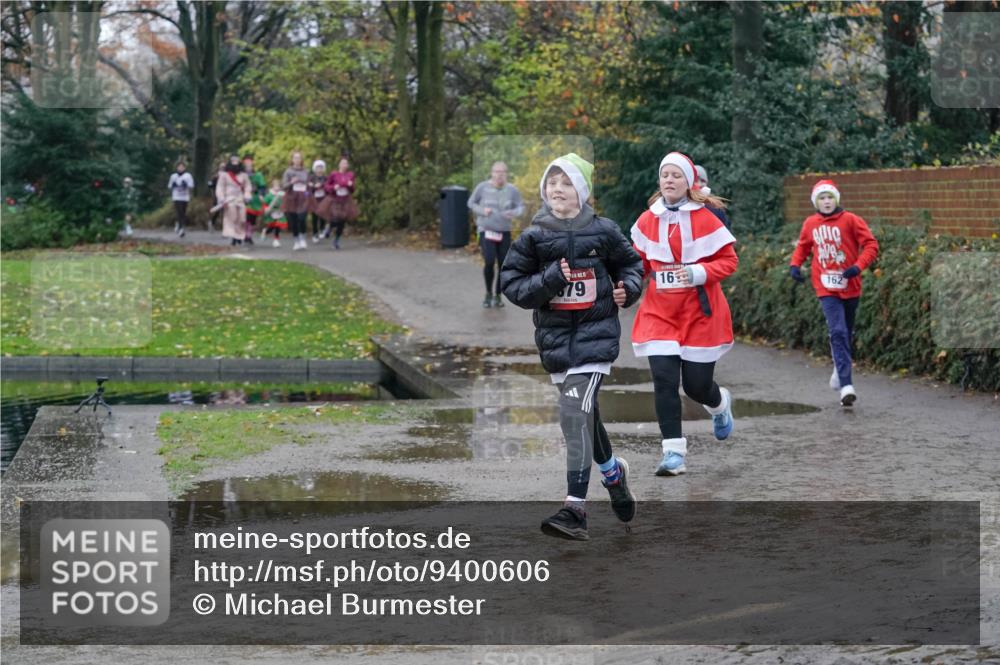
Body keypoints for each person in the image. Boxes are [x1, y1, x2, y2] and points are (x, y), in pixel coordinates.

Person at [500, 153, 643, 540]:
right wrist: (549, 280)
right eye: (551, 183)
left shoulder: (604, 231)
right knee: (585, 415)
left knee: (572, 414)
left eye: (565, 183)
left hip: (596, 341)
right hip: (557, 343)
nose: (556, 190)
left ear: (581, 191)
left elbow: (632, 266)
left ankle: (574, 509)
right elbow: (512, 285)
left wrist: (627, 289)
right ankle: (614, 474)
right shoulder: (534, 236)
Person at [631, 151, 738, 476]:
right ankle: (673, 453)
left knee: (695, 386)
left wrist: (696, 273)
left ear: (689, 182)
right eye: (665, 175)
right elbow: (638, 264)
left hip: (700, 314)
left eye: (676, 175)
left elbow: (729, 262)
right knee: (664, 381)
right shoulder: (648, 219)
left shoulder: (707, 218)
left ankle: (719, 404)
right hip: (659, 314)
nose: (669, 181)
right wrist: (625, 284)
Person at [788, 179, 879, 407]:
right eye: (822, 198)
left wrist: (857, 267)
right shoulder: (811, 223)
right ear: (816, 202)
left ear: (836, 199)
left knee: (846, 332)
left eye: (830, 197)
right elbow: (803, 246)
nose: (826, 202)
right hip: (825, 286)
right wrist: (795, 265)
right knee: (837, 330)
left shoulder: (851, 220)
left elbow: (871, 245)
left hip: (850, 285)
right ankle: (847, 385)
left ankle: (839, 370)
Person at [469, 161, 525, 308]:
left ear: (506, 174)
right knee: (488, 261)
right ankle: (488, 294)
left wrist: (514, 213)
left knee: (503, 265)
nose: (500, 175)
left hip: (504, 232)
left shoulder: (512, 190)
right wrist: (482, 211)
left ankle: (498, 296)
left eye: (503, 172)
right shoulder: (482, 187)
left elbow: (521, 207)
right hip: (486, 231)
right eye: (497, 171)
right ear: (492, 173)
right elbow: (471, 203)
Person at [322, 155, 358, 250]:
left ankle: (336, 241)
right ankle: (329, 227)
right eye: (342, 163)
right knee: (335, 217)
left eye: (346, 163)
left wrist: (351, 185)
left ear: (348, 165)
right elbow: (326, 186)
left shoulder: (350, 175)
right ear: (339, 164)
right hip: (335, 199)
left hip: (345, 200)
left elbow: (353, 189)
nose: (344, 165)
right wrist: (334, 187)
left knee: (342, 221)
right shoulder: (334, 174)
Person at [215, 154, 251, 246]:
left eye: (237, 160)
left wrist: (247, 195)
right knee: (233, 217)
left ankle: (239, 235)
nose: (235, 162)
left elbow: (247, 186)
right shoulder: (224, 175)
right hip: (229, 199)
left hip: (240, 199)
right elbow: (220, 187)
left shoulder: (244, 175)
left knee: (242, 218)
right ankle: (234, 237)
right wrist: (221, 198)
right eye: (233, 160)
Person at [282, 151, 311, 251]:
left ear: (301, 160)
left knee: (302, 218)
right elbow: (284, 186)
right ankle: (296, 240)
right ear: (292, 160)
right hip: (291, 198)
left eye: (299, 158)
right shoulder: (288, 171)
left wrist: (308, 193)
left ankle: (303, 238)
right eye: (295, 158)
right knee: (294, 220)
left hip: (303, 198)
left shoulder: (306, 171)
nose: (297, 160)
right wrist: (291, 182)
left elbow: (309, 185)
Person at [694, 164, 731, 231]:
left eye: (702, 181)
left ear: (706, 183)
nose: (699, 184)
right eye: (695, 180)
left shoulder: (715, 206)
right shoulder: (681, 204)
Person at [242, 154, 266, 245]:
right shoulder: (242, 174)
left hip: (254, 199)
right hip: (244, 198)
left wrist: (260, 194)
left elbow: (262, 186)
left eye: (249, 162)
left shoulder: (258, 175)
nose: (248, 163)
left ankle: (249, 235)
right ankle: (245, 234)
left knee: (252, 219)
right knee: (246, 217)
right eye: (246, 162)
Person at [167, 161, 194, 237]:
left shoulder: (188, 176)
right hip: (176, 196)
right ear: (177, 168)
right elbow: (169, 186)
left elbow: (191, 185)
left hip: (185, 197)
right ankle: (181, 229)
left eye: (182, 167)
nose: (180, 168)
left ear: (184, 168)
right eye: (179, 167)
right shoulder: (173, 176)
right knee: (179, 211)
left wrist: (186, 185)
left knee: (183, 212)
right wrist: (173, 185)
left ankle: (179, 224)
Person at [308, 160, 329, 242]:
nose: (319, 169)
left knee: (323, 215)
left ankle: (322, 228)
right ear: (314, 168)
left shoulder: (326, 178)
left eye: (321, 167)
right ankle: (315, 233)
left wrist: (322, 185)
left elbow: (328, 187)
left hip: (323, 199)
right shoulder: (311, 177)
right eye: (317, 167)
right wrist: (313, 186)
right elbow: (308, 187)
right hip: (314, 199)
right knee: (315, 217)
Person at [262, 179, 287, 247]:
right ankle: (265, 231)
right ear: (272, 187)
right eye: (275, 186)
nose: (277, 188)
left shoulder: (282, 194)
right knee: (271, 227)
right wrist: (266, 209)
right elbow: (265, 203)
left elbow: (285, 202)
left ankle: (276, 240)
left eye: (278, 186)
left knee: (278, 226)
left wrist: (284, 208)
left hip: (279, 212)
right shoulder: (269, 195)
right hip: (271, 212)